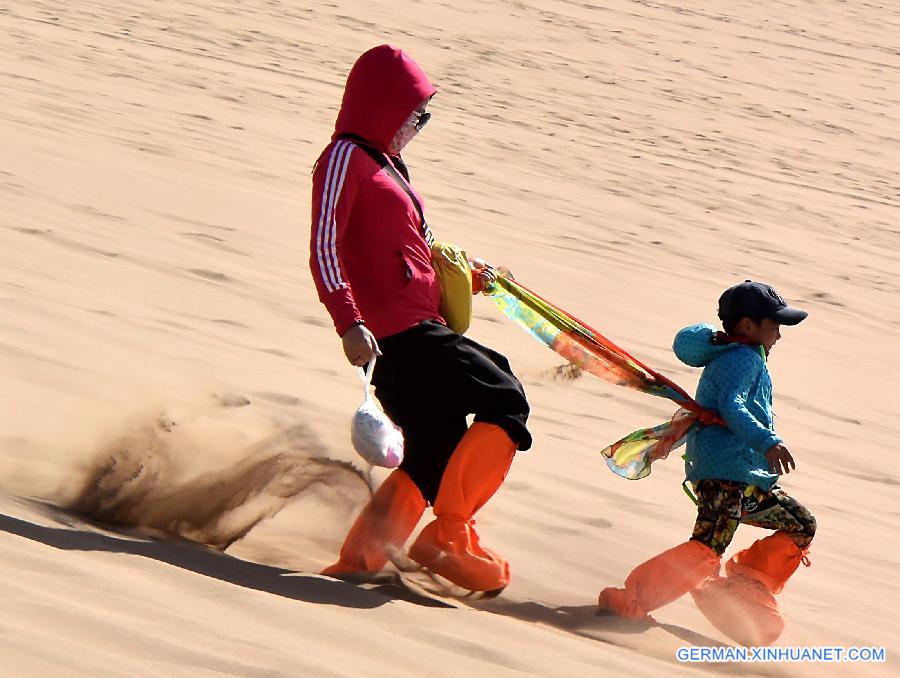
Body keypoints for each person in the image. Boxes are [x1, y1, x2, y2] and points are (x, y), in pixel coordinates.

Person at [309, 45, 531, 594]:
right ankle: (450, 537)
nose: (418, 127)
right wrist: (348, 321)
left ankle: (362, 556)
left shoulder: (390, 165)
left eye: (423, 118)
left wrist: (471, 275)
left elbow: (416, 249)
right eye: (415, 115)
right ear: (383, 105)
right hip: (396, 335)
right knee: (504, 394)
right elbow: (323, 247)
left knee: (434, 448)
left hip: (412, 328)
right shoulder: (344, 158)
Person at [598, 281, 816, 645]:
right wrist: (768, 442)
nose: (779, 334)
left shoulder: (741, 355)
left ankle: (745, 584)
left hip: (745, 478)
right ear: (748, 326)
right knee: (707, 547)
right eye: (774, 325)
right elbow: (733, 405)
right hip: (726, 475)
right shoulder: (742, 359)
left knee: (801, 525)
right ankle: (632, 598)